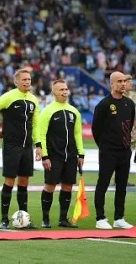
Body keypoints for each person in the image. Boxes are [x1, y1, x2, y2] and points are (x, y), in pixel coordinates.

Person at [0, 69, 42, 229]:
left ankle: (23, 219)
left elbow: (35, 124)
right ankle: (4, 220)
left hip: (27, 146)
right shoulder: (9, 97)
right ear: (16, 82)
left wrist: (38, 145)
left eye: (29, 79)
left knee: (24, 182)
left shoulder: (33, 100)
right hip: (11, 146)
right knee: (10, 181)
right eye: (24, 79)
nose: (27, 82)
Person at [92, 72, 135, 229]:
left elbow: (129, 126)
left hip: (124, 151)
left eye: (124, 81)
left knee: (122, 185)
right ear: (112, 84)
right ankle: (100, 218)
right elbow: (95, 129)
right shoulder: (104, 104)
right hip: (108, 151)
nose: (123, 84)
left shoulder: (129, 104)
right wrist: (104, 146)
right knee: (102, 183)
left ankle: (119, 217)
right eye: (119, 81)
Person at [39, 79, 84, 228]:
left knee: (68, 186)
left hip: (70, 156)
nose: (64, 92)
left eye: (66, 89)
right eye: (61, 90)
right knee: (50, 186)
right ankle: (45, 219)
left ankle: (63, 219)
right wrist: (45, 156)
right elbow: (41, 135)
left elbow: (77, 134)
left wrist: (81, 154)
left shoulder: (74, 111)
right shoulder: (47, 111)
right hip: (53, 156)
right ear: (53, 92)